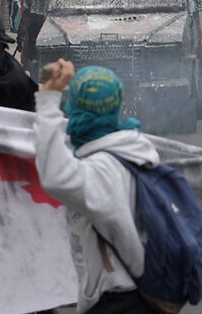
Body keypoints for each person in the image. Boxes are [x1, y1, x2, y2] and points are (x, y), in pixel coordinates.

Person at [34, 61, 159, 314]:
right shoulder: (135, 149)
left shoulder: (102, 169)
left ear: (74, 107)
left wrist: (48, 98)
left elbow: (54, 173)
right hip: (141, 293)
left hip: (118, 299)